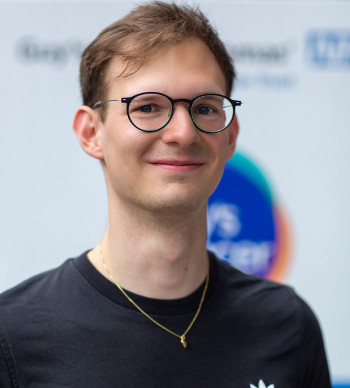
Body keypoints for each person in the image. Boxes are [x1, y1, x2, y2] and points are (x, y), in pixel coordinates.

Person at [0, 1, 331, 387]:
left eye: (205, 108)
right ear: (91, 133)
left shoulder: (288, 325)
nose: (182, 133)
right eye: (148, 107)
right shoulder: (14, 337)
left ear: (230, 135)